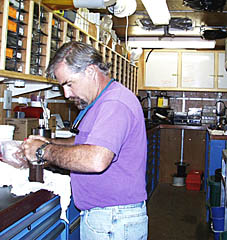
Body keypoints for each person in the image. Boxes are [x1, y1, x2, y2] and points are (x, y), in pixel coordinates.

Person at [22, 41, 148, 240]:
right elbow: (84, 142)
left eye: (69, 84)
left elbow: (95, 159)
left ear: (90, 71)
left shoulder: (114, 103)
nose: (67, 94)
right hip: (109, 217)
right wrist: (48, 142)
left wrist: (43, 151)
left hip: (112, 221)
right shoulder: (102, 100)